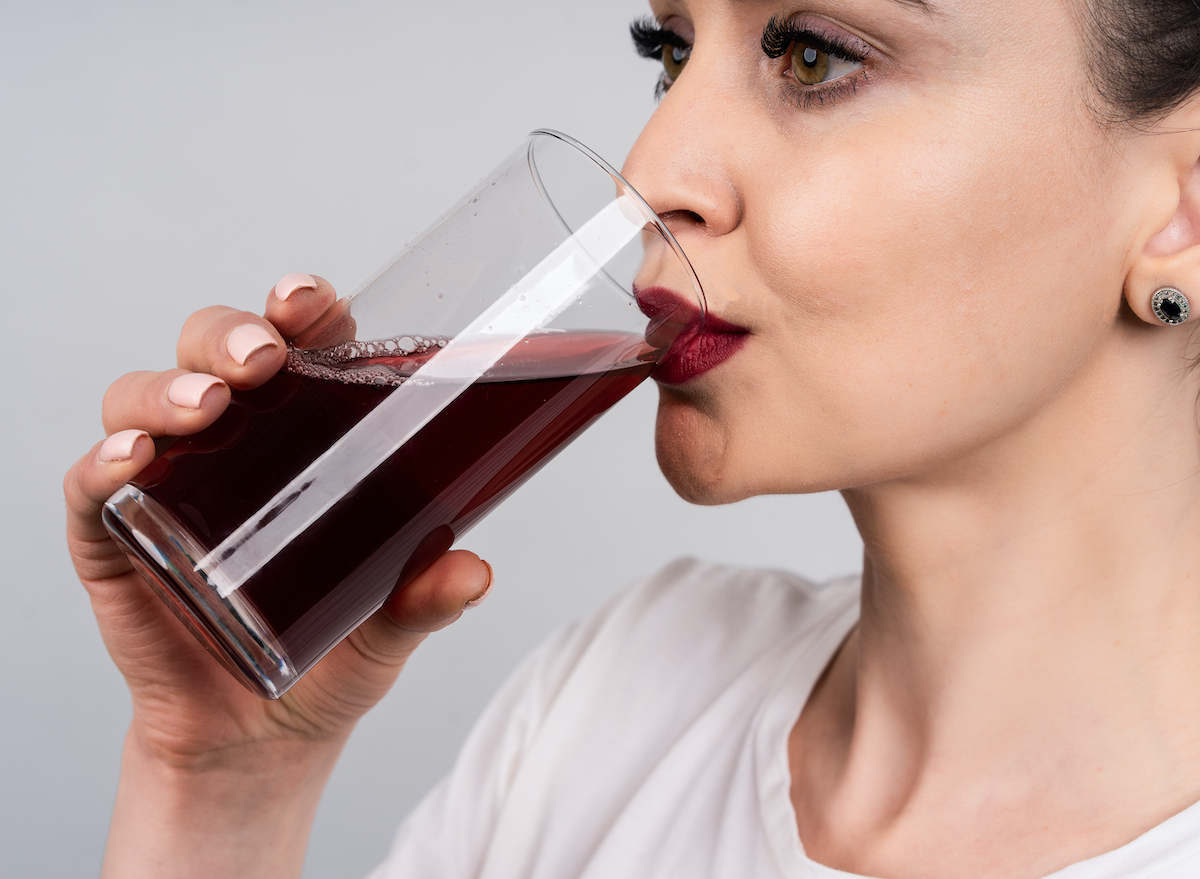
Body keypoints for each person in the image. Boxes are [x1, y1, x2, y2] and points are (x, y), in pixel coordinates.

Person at [63, 0, 1200, 876]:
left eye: (813, 54)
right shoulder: (625, 700)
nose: (649, 177)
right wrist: (218, 783)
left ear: (1184, 211)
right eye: (670, 50)